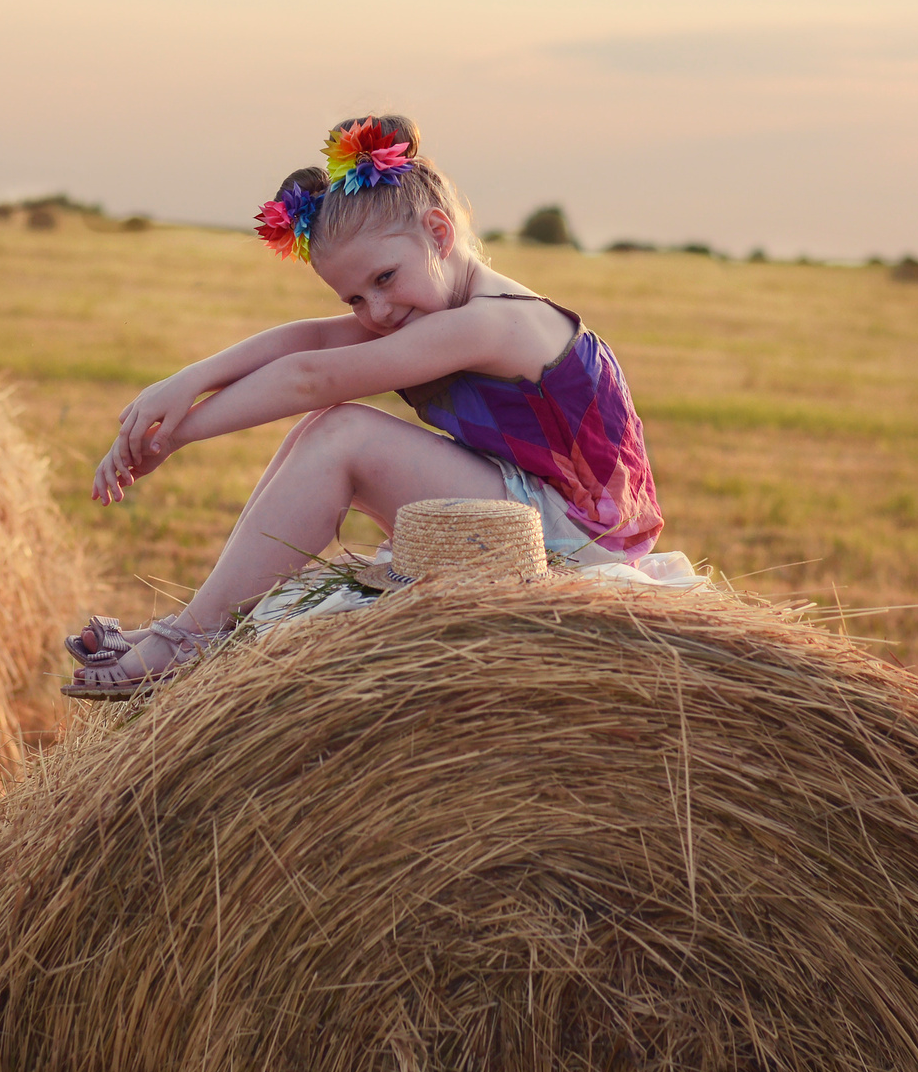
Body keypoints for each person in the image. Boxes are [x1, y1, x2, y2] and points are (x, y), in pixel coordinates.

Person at [64, 113, 661, 698]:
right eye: (354, 297)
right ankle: (204, 623)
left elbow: (310, 376)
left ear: (439, 234)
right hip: (527, 507)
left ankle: (193, 637)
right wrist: (184, 382)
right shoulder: (435, 307)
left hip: (575, 539)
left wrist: (177, 434)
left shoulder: (494, 323)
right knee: (323, 428)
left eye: (384, 278)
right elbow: (308, 339)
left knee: (342, 432)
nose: (374, 312)